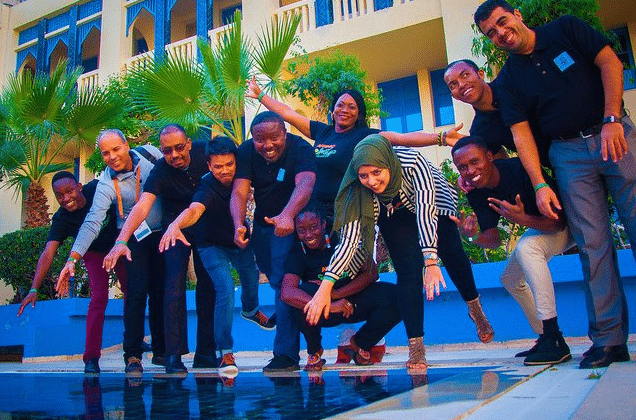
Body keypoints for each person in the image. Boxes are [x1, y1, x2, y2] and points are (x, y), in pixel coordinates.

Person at [475, 0, 636, 368]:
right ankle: (609, 340)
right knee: (592, 246)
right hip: (567, 155)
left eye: (502, 22)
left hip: (614, 134)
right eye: (491, 33)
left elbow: (611, 63)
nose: (501, 34)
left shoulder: (565, 28)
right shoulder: (509, 79)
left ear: (516, 14)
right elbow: (521, 134)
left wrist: (612, 118)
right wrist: (539, 185)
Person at [305, 134, 494, 370]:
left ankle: (475, 309)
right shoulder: (358, 188)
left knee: (452, 252)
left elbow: (425, 211)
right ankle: (416, 348)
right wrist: (325, 287)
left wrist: (431, 261)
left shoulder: (413, 163)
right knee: (408, 272)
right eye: (364, 175)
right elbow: (349, 242)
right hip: (393, 209)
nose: (371, 181)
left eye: (377, 172)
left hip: (431, 201)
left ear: (387, 163)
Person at [246, 78, 464, 224]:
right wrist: (260, 95)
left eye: (352, 107)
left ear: (359, 113)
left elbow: (402, 138)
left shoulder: (365, 135)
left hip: (344, 212)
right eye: (340, 105)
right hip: (314, 212)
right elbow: (288, 114)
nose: (345, 110)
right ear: (333, 110)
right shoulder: (322, 131)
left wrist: (442, 138)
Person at [102, 124, 229, 374]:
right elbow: (142, 206)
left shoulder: (205, 154)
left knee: (208, 285)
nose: (174, 155)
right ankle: (173, 355)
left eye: (179, 147)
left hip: (205, 225)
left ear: (189, 144)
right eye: (167, 150)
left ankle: (206, 353)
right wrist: (121, 241)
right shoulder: (160, 170)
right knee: (173, 284)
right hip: (174, 228)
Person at [451, 136, 574, 365]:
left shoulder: (519, 170)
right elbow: (494, 240)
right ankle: (545, 336)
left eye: (475, 162)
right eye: (463, 167)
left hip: (570, 224)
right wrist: (472, 236)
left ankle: (554, 337)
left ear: (490, 157)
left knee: (527, 248)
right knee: (510, 278)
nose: (470, 171)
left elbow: (558, 223)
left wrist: (523, 218)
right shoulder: (477, 191)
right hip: (541, 226)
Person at [159, 136, 272, 376]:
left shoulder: (244, 178)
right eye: (218, 166)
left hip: (239, 241)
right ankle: (225, 351)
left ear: (236, 162)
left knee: (251, 276)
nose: (224, 171)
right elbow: (194, 210)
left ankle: (250, 310)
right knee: (225, 289)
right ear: (209, 165)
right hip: (211, 245)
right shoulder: (206, 187)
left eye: (229, 164)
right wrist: (175, 225)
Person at [57, 129, 166, 375]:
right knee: (136, 291)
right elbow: (92, 222)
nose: (112, 156)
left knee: (160, 290)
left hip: (160, 231)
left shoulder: (150, 154)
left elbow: (171, 177)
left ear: (126, 145)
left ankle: (162, 351)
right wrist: (73, 258)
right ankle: (133, 356)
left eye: (116, 149)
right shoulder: (106, 183)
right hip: (131, 238)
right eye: (106, 153)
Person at [230, 111, 316, 372]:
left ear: (285, 134)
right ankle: (286, 308)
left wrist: (287, 215)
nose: (267, 145)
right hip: (264, 225)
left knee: (281, 283)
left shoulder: (300, 148)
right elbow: (239, 190)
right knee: (272, 274)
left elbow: (305, 184)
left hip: (294, 223)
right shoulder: (246, 151)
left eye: (274, 138)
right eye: (260, 140)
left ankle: (285, 355)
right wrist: (238, 223)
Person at [17, 171, 127, 374]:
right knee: (99, 298)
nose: (66, 198)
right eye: (59, 195)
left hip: (117, 245)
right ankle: (91, 357)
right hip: (93, 252)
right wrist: (34, 289)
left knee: (132, 290)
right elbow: (48, 252)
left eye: (69, 191)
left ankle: (133, 340)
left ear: (79, 186)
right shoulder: (61, 219)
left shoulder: (96, 189)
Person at [281, 202, 401, 370]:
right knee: (299, 299)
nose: (308, 235)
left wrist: (336, 293)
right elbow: (287, 292)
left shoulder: (343, 239)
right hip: (326, 309)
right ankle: (314, 350)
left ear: (324, 224)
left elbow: (371, 273)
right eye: (302, 230)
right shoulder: (297, 251)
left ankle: (361, 343)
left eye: (313, 228)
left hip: (354, 298)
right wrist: (329, 305)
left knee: (397, 296)